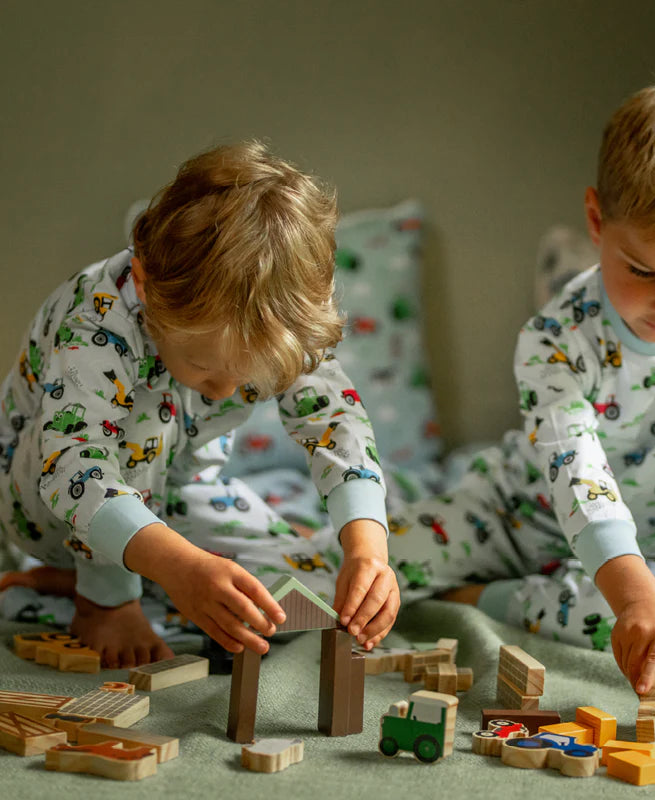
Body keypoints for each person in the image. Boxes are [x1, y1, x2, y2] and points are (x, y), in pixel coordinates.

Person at [384, 86, 655, 696]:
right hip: (514, 513)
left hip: (652, 557)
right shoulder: (557, 334)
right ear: (597, 222)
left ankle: (474, 598)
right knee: (370, 563)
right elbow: (576, 465)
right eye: (644, 271)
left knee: (632, 625)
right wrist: (634, 592)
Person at [0, 142, 399, 668]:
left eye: (248, 378)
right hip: (48, 499)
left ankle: (89, 582)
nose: (224, 392)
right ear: (146, 287)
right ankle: (103, 597)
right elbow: (75, 462)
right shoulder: (95, 320)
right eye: (205, 368)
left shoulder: (284, 321)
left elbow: (335, 422)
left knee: (298, 600)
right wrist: (175, 569)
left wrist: (367, 549)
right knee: (144, 423)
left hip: (177, 496)